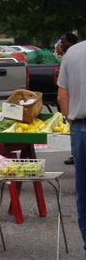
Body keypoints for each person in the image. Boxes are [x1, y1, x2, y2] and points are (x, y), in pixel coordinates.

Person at [57, 38, 86, 260]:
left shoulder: (72, 53)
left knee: (83, 192)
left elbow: (61, 97)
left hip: (80, 128)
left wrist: (72, 120)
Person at [58, 32, 78, 165]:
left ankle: (76, 154)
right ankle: (74, 153)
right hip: (71, 96)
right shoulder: (68, 56)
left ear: (72, 43)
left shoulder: (71, 56)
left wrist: (67, 116)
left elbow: (62, 96)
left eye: (64, 42)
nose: (61, 44)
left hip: (73, 98)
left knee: (75, 127)